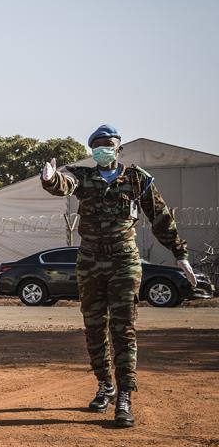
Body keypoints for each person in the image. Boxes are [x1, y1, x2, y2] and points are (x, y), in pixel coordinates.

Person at [41, 125, 195, 428]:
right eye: (97, 144)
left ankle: (125, 395)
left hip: (124, 261)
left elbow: (160, 217)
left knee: (123, 329)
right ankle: (105, 385)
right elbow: (64, 184)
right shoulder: (83, 176)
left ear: (118, 148)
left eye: (108, 143)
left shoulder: (137, 179)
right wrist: (49, 179)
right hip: (90, 262)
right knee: (94, 327)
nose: (102, 148)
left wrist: (180, 253)